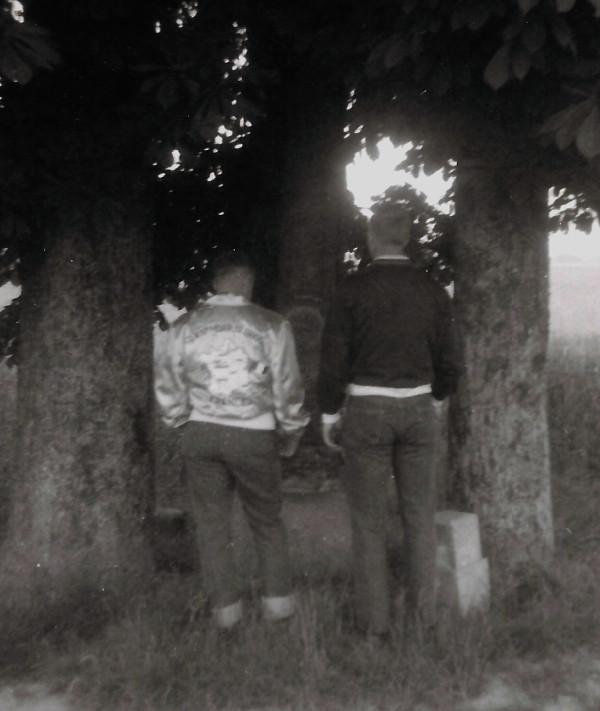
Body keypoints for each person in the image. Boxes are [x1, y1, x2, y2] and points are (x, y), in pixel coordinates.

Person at [318, 202, 463, 638]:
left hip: (367, 409)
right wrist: (436, 397)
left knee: (368, 522)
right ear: (407, 238)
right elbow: (452, 361)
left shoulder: (351, 290)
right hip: (418, 408)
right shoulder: (433, 291)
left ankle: (374, 626)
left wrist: (329, 412)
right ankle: (424, 621)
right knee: (419, 516)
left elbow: (333, 361)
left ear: (371, 237)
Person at [155, 251, 309, 630]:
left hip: (202, 432)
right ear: (248, 281)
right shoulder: (272, 325)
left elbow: (168, 382)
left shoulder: (183, 326)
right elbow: (288, 387)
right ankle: (278, 609)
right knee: (267, 521)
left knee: (211, 527)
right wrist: (290, 431)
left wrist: (181, 422)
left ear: (215, 283)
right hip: (254, 432)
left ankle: (226, 615)